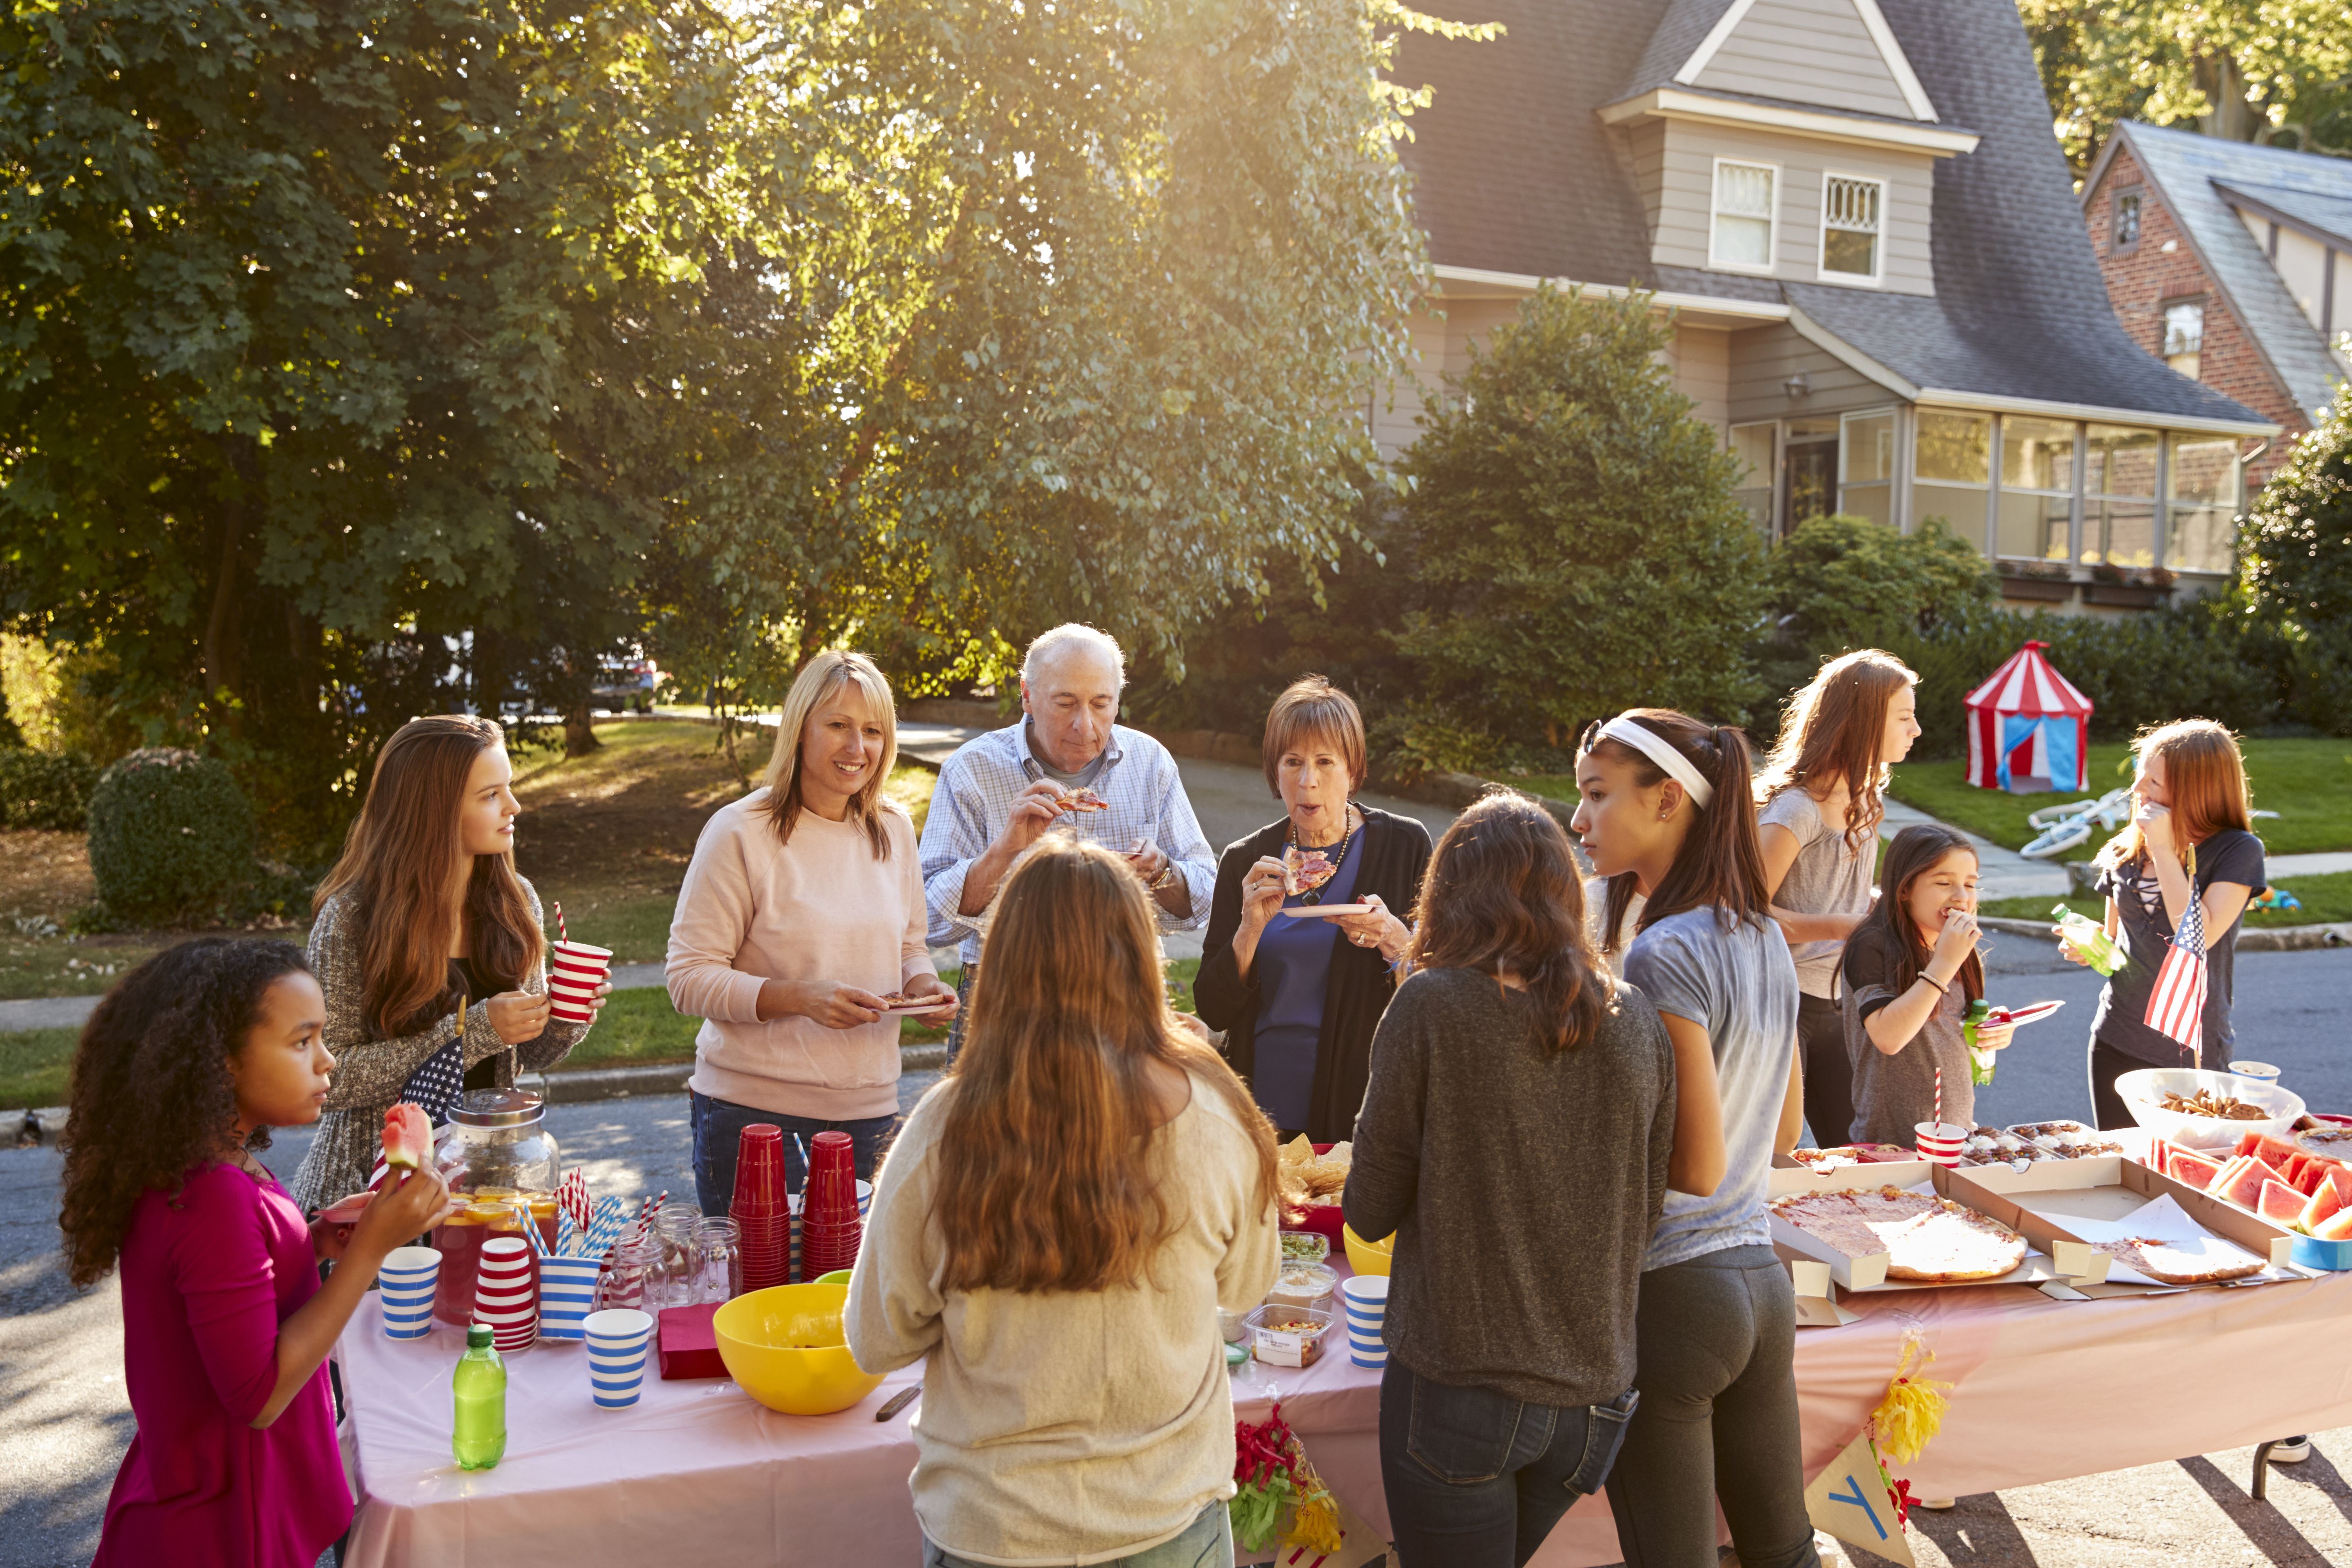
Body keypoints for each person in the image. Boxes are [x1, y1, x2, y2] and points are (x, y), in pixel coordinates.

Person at [845, 836, 1279, 1568]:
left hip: (994, 1526)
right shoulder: (1215, 1114)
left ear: (1006, 963)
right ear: (1142, 957)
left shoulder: (944, 1130)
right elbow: (1249, 1286)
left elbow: (875, 1338)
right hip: (1167, 1519)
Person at [1343, 794, 1707, 1568]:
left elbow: (1368, 1209)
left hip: (1461, 1385)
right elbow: (1642, 1207)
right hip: (1591, 1393)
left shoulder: (1431, 1004)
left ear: (1447, 895)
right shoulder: (1636, 1015)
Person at [62, 939, 453, 1568]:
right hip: (222, 1532)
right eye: (303, 1042)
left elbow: (239, 1280)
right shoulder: (211, 1194)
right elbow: (259, 1393)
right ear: (220, 1064)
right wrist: (369, 1254)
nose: (328, 1062)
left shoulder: (211, 1163)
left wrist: (318, 1242)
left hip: (217, 1507)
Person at [1571, 709, 1817, 1568]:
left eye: (1598, 796)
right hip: (1761, 1287)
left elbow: (1696, 1164)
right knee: (1785, 1550)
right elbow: (1784, 1130)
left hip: (1676, 1293)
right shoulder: (1764, 936)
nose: (1579, 821)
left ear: (1669, 798)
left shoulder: (1661, 953)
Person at [668, 651, 954, 1209]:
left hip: (869, 1114)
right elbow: (687, 978)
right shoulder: (738, 831)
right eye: (838, 726)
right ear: (800, 729)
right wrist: (798, 999)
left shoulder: (893, 829)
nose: (857, 748)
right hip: (749, 1118)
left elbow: (908, 945)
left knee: (851, 1293)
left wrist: (921, 988)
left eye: (872, 731)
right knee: (758, 1291)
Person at [289, 716, 603, 1214]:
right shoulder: (351, 919)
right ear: (432, 812)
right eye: (490, 795)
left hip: (482, 1191)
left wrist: (564, 1016)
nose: (514, 806)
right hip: (368, 1200)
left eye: (509, 789)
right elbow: (332, 1078)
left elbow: (527, 1055)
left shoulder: (516, 902)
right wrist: (474, 1030)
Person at [918, 624, 1217, 1058]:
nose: (1085, 725)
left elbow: (1206, 899)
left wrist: (1161, 871)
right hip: (1006, 995)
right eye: (1065, 703)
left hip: (1125, 992)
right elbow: (930, 920)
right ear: (1027, 695)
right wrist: (1005, 850)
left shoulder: (1151, 763)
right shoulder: (972, 769)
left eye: (1101, 704)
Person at [1195, 677, 1431, 1140]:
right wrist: (1249, 929)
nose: (1307, 781)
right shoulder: (1246, 861)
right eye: (1292, 762)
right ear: (1273, 770)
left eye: (1325, 761)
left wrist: (1391, 937)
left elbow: (1441, 985)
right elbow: (1213, 1009)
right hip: (1258, 1107)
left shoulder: (1404, 846)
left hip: (1362, 1105)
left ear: (1352, 768)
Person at [1753, 650, 1920, 1148]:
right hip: (1781, 1002)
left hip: (1840, 999)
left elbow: (1836, 894)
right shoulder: (1794, 810)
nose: (1915, 730)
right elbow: (1742, 912)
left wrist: (1880, 906)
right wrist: (1841, 925)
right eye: (1904, 717)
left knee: (1856, 1150)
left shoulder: (1865, 800)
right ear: (1864, 722)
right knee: (1775, 1152)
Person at [2063, 719, 2265, 1131]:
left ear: (2196, 789)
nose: (2138, 792)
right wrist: (2090, 947)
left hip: (2189, 1048)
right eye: (2141, 776)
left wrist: (2163, 846)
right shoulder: (2125, 849)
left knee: (2179, 1176)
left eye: (2153, 782)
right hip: (2116, 1035)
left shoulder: (2237, 851)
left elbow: (2199, 933)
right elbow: (2117, 945)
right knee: (2121, 1168)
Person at [1841, 825, 2015, 1145]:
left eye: (1970, 884)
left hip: (1954, 1130)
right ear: (1904, 888)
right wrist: (1944, 964)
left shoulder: (1954, 948)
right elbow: (1888, 1037)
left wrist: (1986, 1028)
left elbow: (1945, 1023)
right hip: (1890, 1141)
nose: (1961, 896)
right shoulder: (1872, 944)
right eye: (1943, 883)